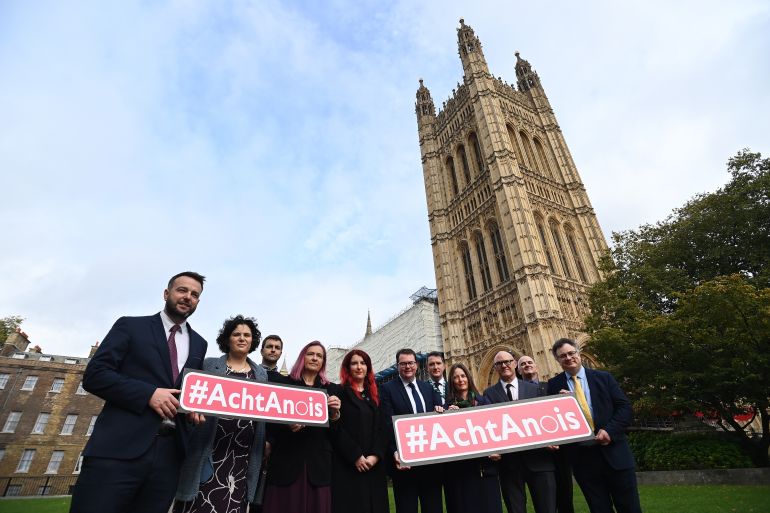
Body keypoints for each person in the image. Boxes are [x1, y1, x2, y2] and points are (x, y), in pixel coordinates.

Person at [70, 271, 208, 513]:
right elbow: (95, 375)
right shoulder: (131, 326)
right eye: (182, 290)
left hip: (169, 457)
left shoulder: (200, 343)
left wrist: (192, 409)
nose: (188, 297)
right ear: (166, 293)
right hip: (118, 450)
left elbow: (184, 391)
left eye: (195, 294)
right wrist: (148, 394)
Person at [175, 315, 268, 513]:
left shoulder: (261, 374)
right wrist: (192, 414)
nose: (242, 338)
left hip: (241, 455)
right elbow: (189, 400)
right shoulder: (208, 365)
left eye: (247, 335)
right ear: (227, 339)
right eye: (236, 334)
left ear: (253, 340)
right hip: (208, 450)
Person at [546, 339, 642, 513]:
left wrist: (609, 431)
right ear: (557, 360)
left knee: (630, 508)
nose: (568, 358)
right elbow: (551, 421)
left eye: (571, 353)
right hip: (583, 460)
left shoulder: (604, 377)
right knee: (599, 509)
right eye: (563, 356)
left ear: (578, 353)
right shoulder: (554, 385)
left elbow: (624, 408)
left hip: (615, 453)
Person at [262, 341, 342, 513]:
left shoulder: (332, 389)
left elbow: (337, 434)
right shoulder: (283, 383)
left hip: (318, 466)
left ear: (323, 362)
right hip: (286, 462)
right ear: (302, 357)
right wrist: (286, 424)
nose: (314, 358)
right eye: (310, 354)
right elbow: (269, 424)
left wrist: (335, 415)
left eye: (319, 356)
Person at [483, 351, 556, 513]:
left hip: (539, 460)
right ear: (495, 368)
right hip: (509, 465)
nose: (504, 365)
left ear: (515, 364)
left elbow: (547, 418)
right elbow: (488, 425)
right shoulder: (489, 394)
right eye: (499, 363)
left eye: (508, 361)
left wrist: (553, 439)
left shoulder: (534, 389)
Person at [379, 348, 443, 513]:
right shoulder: (387, 389)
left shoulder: (427, 388)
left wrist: (440, 410)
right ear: (398, 366)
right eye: (403, 364)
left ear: (417, 365)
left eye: (411, 363)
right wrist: (395, 451)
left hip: (429, 465)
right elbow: (387, 423)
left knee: (434, 508)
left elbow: (439, 416)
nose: (407, 366)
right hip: (404, 464)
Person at [331, 349, 389, 513]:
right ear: (347, 368)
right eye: (354, 363)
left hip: (374, 467)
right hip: (349, 467)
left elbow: (384, 428)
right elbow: (336, 428)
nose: (359, 367)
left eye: (363, 363)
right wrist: (356, 455)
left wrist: (375, 456)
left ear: (368, 367)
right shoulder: (339, 392)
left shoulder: (376, 394)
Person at [518, 355, 574, 513]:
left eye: (530, 362)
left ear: (536, 366)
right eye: (523, 364)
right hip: (536, 457)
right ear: (518, 370)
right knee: (544, 503)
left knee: (565, 497)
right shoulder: (516, 394)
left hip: (558, 453)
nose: (527, 365)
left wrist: (567, 399)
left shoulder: (551, 386)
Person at [443, 363, 502, 513]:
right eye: (456, 377)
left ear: (468, 378)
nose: (460, 380)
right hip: (462, 473)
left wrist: (497, 451)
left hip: (485, 469)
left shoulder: (484, 402)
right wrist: (449, 415)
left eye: (463, 376)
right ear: (451, 382)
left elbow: (495, 430)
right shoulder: (447, 407)